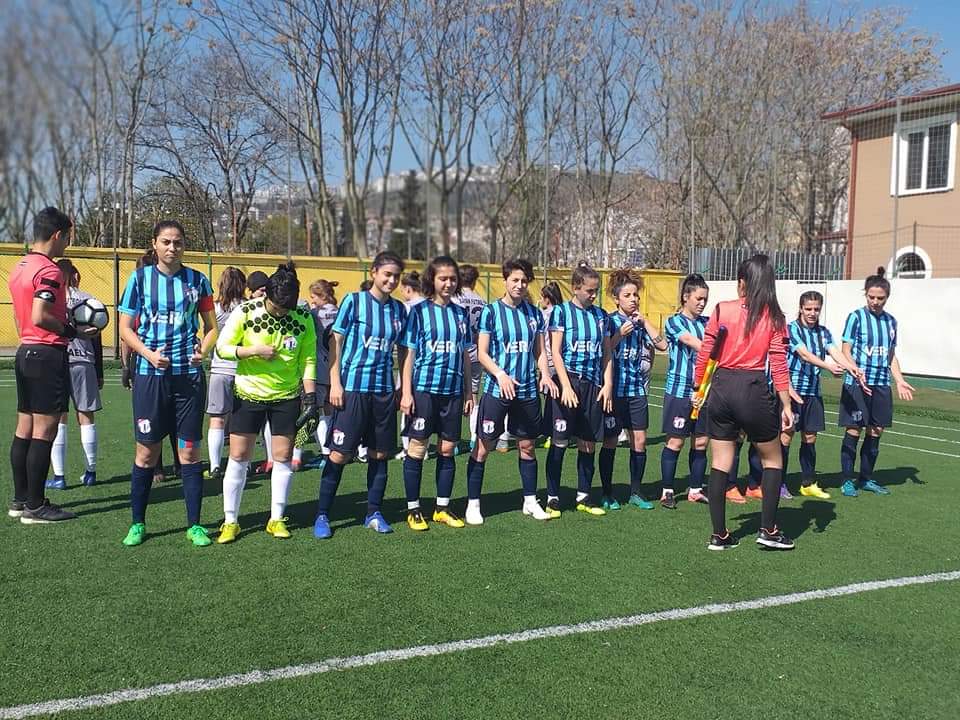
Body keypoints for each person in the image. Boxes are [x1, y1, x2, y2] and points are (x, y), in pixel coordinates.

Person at [117, 220, 218, 547]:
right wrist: (148, 355)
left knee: (189, 451)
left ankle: (195, 525)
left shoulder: (198, 280)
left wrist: (203, 350)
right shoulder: (139, 279)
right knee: (147, 453)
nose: (172, 247)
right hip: (151, 378)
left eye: (177, 242)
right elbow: (125, 328)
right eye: (166, 242)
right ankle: (137, 523)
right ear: (155, 244)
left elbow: (212, 328)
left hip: (188, 379)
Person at [694, 254, 794, 551]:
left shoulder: (722, 309)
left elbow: (706, 352)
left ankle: (719, 534)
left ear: (742, 282)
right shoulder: (775, 317)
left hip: (721, 387)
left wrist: (698, 387)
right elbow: (779, 364)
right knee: (772, 459)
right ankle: (769, 529)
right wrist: (786, 405)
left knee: (720, 461)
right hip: (752, 388)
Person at [214, 263, 317, 543]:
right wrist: (253, 351)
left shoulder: (303, 318)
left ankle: (276, 518)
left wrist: (310, 398)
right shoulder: (246, 312)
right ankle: (231, 521)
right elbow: (222, 348)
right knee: (238, 456)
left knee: (283, 457)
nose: (281, 313)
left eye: (286, 309)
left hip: (286, 397)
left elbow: (308, 359)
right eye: (275, 307)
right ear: (266, 296)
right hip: (248, 395)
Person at [312, 251, 408, 538]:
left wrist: (403, 386)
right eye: (387, 274)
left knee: (380, 454)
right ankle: (323, 515)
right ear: (374, 272)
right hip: (353, 389)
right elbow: (335, 341)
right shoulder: (354, 302)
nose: (391, 280)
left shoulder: (399, 310)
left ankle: (373, 513)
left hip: (383, 392)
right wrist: (335, 383)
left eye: (396, 276)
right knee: (339, 454)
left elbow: (404, 350)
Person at [8, 207, 90, 523]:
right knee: (45, 430)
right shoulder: (50, 271)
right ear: (57, 235)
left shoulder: (20, 267)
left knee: (25, 427)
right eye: (67, 238)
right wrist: (70, 330)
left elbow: (22, 319)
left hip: (25, 351)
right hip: (46, 354)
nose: (67, 244)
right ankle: (36, 506)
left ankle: (20, 501)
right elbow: (40, 315)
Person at [467, 258, 557, 524]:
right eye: (515, 280)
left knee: (527, 446)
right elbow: (482, 353)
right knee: (483, 447)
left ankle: (530, 501)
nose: (519, 285)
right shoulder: (491, 312)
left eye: (524, 281)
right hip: (497, 390)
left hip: (527, 391)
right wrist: (500, 374)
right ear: (505, 280)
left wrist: (545, 374)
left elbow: (539, 352)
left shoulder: (534, 314)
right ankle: (473, 504)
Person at [399, 256, 474, 530]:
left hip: (452, 393)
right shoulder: (418, 312)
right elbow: (408, 355)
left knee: (447, 449)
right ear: (432, 280)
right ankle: (413, 509)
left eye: (453, 278)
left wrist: (469, 392)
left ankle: (442, 507)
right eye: (443, 278)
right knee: (418, 448)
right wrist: (406, 392)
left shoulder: (461, 314)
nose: (448, 283)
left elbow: (465, 356)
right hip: (424, 391)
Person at [544, 264, 614, 517]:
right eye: (589, 291)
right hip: (568, 381)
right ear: (575, 288)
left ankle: (584, 496)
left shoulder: (602, 316)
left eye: (596, 291)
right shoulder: (561, 312)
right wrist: (565, 385)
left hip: (592, 385)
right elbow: (556, 352)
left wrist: (608, 384)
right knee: (560, 441)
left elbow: (607, 353)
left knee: (588, 442)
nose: (593, 295)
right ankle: (552, 497)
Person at [783, 290, 868, 499]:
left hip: (813, 392)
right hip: (793, 391)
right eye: (808, 309)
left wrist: (851, 367)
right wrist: (828, 366)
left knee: (810, 437)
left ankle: (808, 483)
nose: (812, 313)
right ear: (800, 309)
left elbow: (835, 351)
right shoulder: (791, 329)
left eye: (816, 309)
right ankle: (779, 483)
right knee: (786, 436)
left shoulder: (823, 332)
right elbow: (804, 354)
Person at [838, 268, 914, 497]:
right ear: (866, 295)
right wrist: (855, 370)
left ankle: (866, 478)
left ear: (887, 297)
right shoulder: (855, 317)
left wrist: (899, 380)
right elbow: (846, 349)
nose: (875, 301)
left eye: (880, 298)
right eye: (871, 297)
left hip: (881, 384)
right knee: (854, 429)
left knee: (876, 430)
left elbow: (890, 355)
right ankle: (847, 480)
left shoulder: (891, 322)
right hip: (857, 383)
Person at [598, 269, 667, 510]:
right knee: (611, 440)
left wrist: (645, 322)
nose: (633, 299)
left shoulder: (640, 324)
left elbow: (662, 345)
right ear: (616, 299)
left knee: (640, 440)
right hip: (614, 392)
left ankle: (636, 491)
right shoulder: (609, 321)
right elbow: (602, 351)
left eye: (635, 295)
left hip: (637, 391)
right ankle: (607, 493)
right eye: (627, 295)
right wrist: (618, 335)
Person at [46, 259, 104, 490]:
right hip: (84, 362)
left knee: (59, 418)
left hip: (58, 360)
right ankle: (91, 472)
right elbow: (97, 337)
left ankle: (59, 477)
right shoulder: (89, 300)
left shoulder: (51, 299)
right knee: (86, 416)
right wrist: (99, 371)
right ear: (75, 275)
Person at [660, 274, 711, 509]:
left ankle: (696, 489)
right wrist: (717, 352)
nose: (702, 303)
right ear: (685, 297)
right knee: (675, 442)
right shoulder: (674, 322)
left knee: (700, 443)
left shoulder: (708, 323)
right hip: (680, 391)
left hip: (704, 393)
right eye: (698, 298)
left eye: (705, 299)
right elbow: (690, 341)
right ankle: (667, 491)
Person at [205, 267, 246, 482]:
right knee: (242, 421)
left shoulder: (215, 308)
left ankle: (214, 465)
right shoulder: (249, 307)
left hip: (220, 368)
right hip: (244, 371)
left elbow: (209, 334)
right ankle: (243, 463)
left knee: (217, 419)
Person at [305, 279, 340, 465]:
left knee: (315, 412)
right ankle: (336, 449)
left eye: (313, 297)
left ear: (322, 295)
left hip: (319, 368)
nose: (312, 301)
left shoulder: (313, 314)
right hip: (336, 369)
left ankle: (325, 454)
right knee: (331, 411)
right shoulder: (339, 312)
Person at [453, 264, 487, 449]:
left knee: (455, 397)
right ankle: (474, 437)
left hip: (458, 353)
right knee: (473, 394)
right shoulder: (482, 302)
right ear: (474, 281)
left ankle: (454, 439)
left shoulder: (454, 300)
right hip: (477, 353)